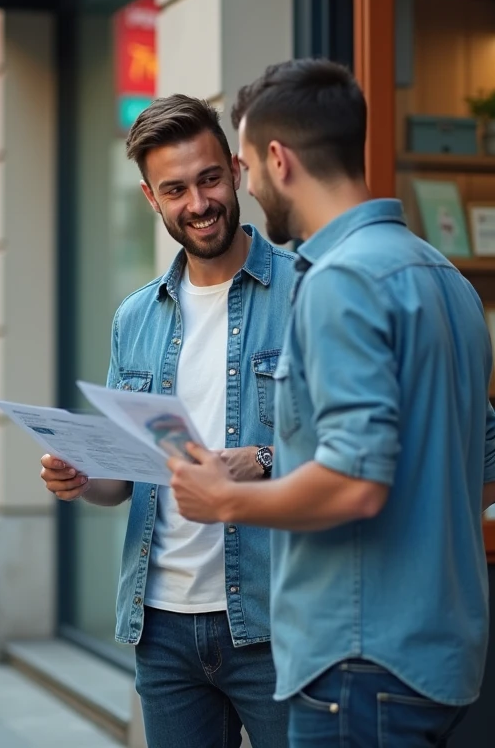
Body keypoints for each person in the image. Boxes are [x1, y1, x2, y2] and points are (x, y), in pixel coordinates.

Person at [166, 59, 495, 748]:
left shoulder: (336, 283)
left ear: (277, 158)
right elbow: (487, 483)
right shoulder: (445, 279)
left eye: (245, 169)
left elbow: (355, 483)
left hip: (357, 663)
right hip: (437, 658)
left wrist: (222, 500)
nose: (248, 188)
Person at [40, 94, 296, 748]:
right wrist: (82, 474)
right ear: (152, 199)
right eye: (175, 189)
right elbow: (124, 480)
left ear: (237, 171)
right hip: (163, 627)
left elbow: (352, 452)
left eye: (210, 179)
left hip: (275, 620)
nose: (199, 203)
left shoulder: (305, 289)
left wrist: (262, 462)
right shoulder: (136, 317)